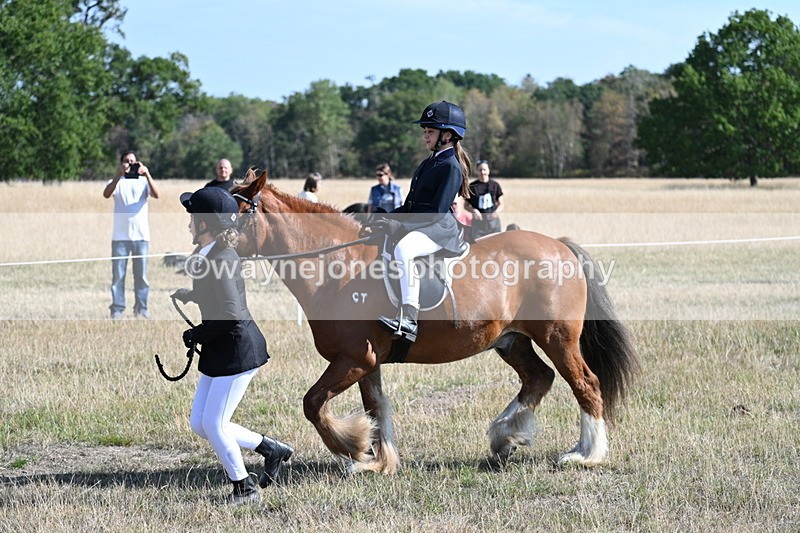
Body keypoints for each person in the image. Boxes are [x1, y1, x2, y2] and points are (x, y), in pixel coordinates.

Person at [171, 187, 293, 506]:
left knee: (214, 423)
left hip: (237, 349)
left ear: (206, 224)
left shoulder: (222, 256)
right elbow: (220, 298)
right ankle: (270, 448)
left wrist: (199, 333)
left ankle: (245, 489)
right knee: (201, 423)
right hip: (222, 347)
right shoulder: (210, 253)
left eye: (193, 218)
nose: (189, 222)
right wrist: (193, 295)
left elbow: (230, 315)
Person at [370, 101, 472, 343]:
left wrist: (401, 228)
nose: (425, 136)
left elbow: (436, 213)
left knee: (404, 249)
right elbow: (410, 206)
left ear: (447, 136)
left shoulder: (450, 167)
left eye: (430, 132)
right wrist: (387, 216)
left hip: (439, 229)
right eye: (425, 131)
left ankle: (409, 318)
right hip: (423, 224)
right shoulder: (428, 163)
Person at [103, 150, 160, 319]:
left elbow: (157, 195)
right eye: (127, 161)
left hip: (141, 236)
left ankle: (141, 309)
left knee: (141, 275)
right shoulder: (117, 181)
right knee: (118, 276)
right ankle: (117, 309)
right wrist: (118, 175)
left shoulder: (143, 182)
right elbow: (106, 194)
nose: (130, 164)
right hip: (120, 237)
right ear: (121, 163)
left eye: (133, 161)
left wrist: (147, 174)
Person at [464, 160, 504, 239]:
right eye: (480, 170)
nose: (482, 172)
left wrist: (496, 212)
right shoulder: (472, 187)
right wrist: (474, 211)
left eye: (484, 169)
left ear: (488, 171)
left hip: (493, 223)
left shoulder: (495, 185)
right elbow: (466, 205)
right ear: (477, 172)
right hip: (478, 224)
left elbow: (501, 204)